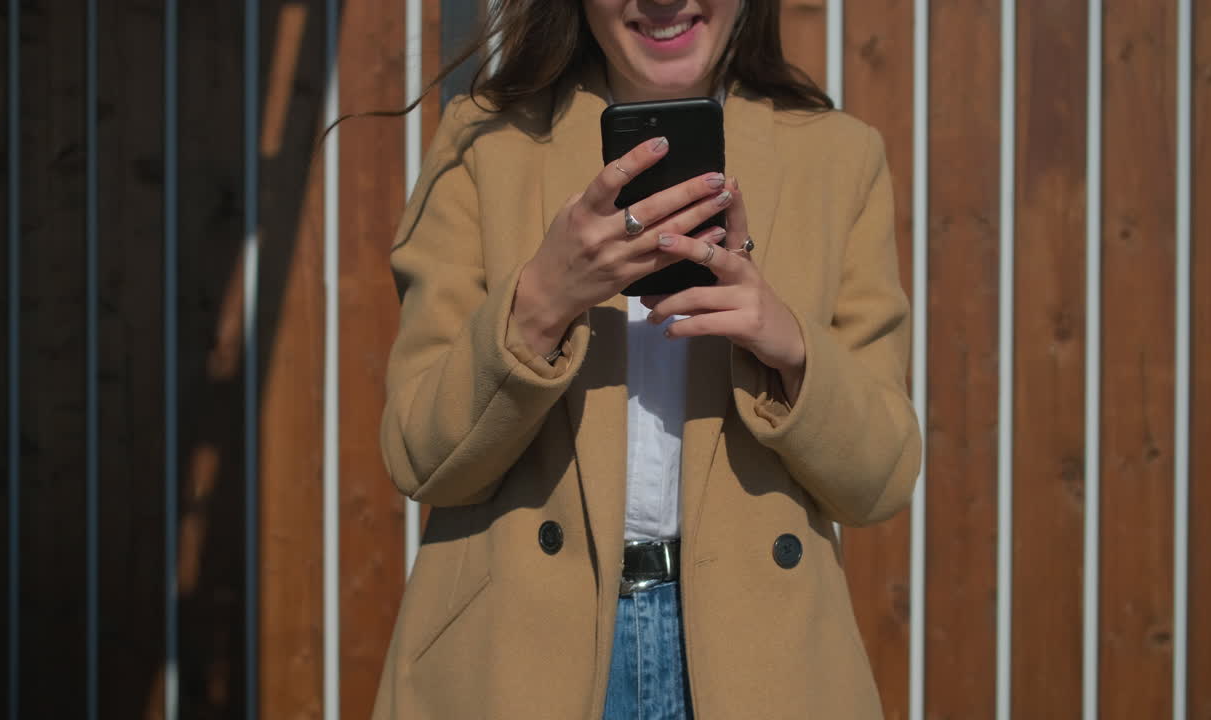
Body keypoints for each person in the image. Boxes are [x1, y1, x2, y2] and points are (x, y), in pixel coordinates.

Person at [370, 1, 921, 718]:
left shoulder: (838, 156)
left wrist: (790, 349)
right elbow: (420, 457)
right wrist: (540, 303)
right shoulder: (485, 144)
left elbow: (881, 482)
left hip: (764, 666)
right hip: (518, 662)